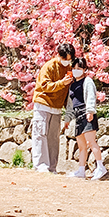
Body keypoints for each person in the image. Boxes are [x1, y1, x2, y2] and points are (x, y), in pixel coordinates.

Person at [31, 43, 75, 173]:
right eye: (65, 59)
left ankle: (52, 167)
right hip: (43, 103)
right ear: (58, 55)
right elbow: (44, 85)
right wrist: (62, 83)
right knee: (40, 134)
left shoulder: (70, 69)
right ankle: (40, 165)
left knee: (53, 138)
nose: (67, 62)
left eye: (69, 59)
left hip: (56, 107)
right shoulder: (49, 66)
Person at [66, 58, 109, 180]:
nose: (76, 71)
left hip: (86, 112)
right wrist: (68, 117)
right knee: (81, 145)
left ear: (85, 69)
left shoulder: (88, 81)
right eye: (74, 68)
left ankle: (100, 166)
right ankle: (81, 170)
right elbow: (71, 102)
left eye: (79, 68)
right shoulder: (72, 84)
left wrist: (90, 111)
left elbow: (90, 96)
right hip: (77, 115)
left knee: (91, 142)